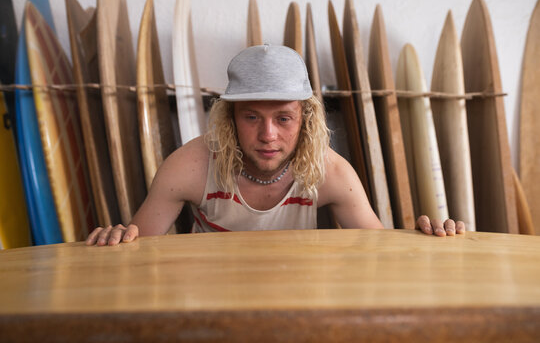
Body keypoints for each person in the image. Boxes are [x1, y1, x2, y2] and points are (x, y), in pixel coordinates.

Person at [86, 44, 465, 246]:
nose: (268, 135)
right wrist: (118, 240)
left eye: (283, 118)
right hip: (209, 306)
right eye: (252, 117)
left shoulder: (330, 172)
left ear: (306, 120)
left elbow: (380, 254)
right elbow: (136, 252)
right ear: (230, 118)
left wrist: (428, 239)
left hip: (299, 307)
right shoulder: (190, 166)